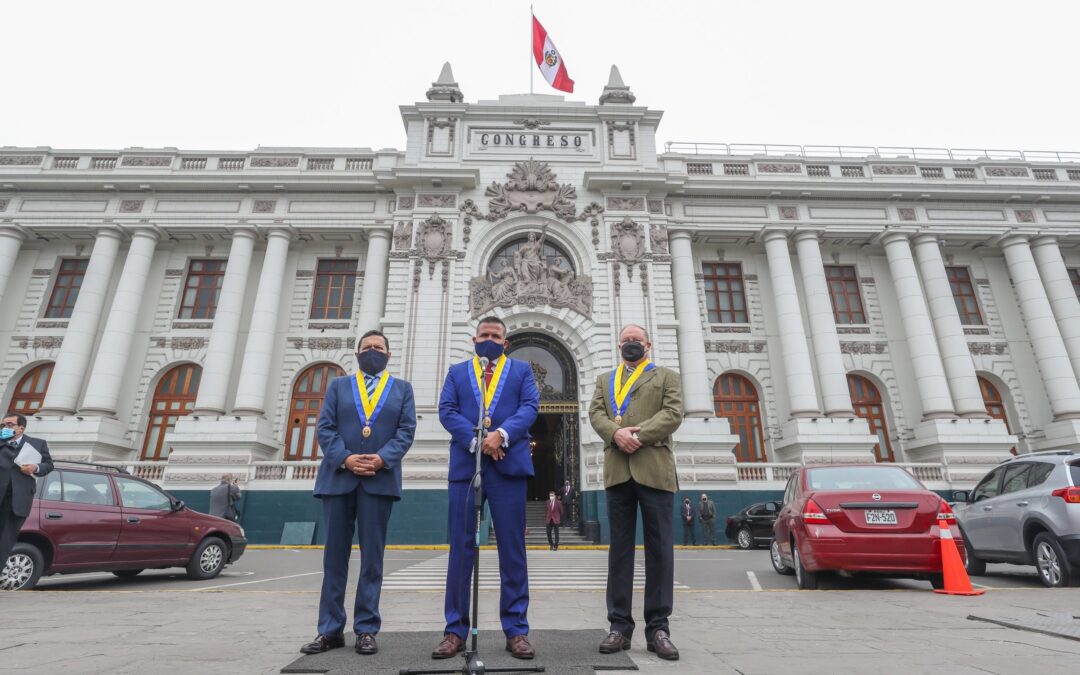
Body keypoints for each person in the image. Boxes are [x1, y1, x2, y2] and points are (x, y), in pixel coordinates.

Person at [300, 330, 416, 657]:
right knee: (334, 559)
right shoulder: (338, 386)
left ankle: (366, 629)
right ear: (357, 353)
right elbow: (325, 427)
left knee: (372, 560)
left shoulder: (402, 389)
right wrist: (345, 458)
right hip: (338, 479)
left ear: (389, 355)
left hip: (379, 481)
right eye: (367, 347)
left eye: (379, 348)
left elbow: (406, 431)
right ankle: (329, 630)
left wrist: (383, 459)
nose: (373, 351)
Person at [433, 316, 540, 661]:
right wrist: (479, 440)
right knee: (460, 552)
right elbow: (447, 411)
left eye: (496, 336)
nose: (490, 340)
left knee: (513, 551)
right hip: (467, 469)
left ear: (505, 343)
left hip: (509, 467)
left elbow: (529, 408)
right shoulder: (458, 371)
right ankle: (454, 630)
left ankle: (516, 630)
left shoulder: (522, 371)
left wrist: (501, 434)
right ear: (474, 339)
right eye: (485, 335)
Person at [589, 324, 684, 661]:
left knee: (660, 551)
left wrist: (636, 436)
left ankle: (658, 628)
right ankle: (619, 626)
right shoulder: (605, 379)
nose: (631, 345)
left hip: (655, 471)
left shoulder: (666, 376)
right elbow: (595, 414)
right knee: (620, 553)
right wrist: (616, 435)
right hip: (618, 473)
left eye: (636, 341)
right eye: (626, 341)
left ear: (648, 344)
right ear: (619, 345)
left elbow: (673, 414)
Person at [1, 413, 54, 570]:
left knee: (4, 544)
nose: (5, 428)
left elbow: (49, 465)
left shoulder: (37, 444)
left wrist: (35, 468)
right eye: (3, 425)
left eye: (9, 425)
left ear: (21, 428)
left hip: (16, 502)